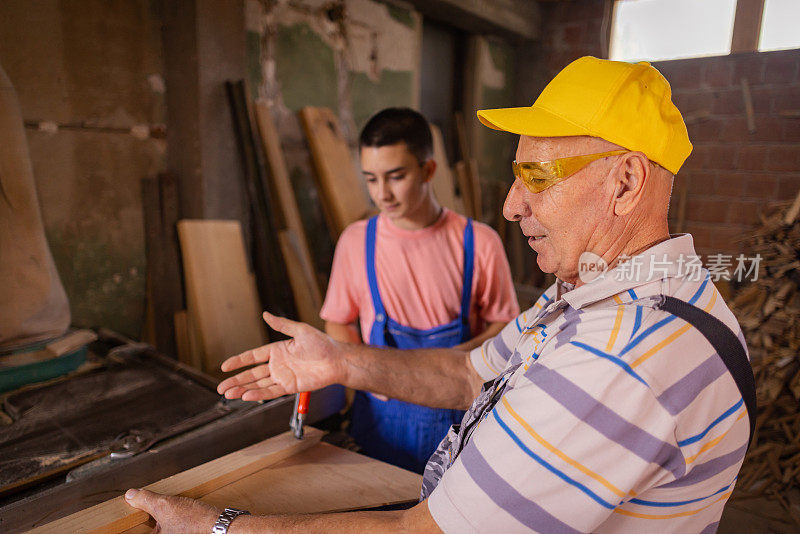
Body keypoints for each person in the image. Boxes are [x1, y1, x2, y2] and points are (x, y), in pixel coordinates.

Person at [126, 56, 751, 533]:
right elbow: (467, 373)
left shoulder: (622, 359)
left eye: (538, 177)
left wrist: (215, 524)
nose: (511, 205)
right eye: (514, 177)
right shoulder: (591, 295)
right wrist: (343, 362)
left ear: (626, 180)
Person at [321, 107, 519, 473]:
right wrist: (367, 372)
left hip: (457, 429)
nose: (383, 194)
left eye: (395, 177)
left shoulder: (479, 243)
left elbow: (506, 330)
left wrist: (447, 365)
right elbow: (338, 323)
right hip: (377, 428)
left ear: (428, 170)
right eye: (371, 179)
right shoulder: (356, 242)